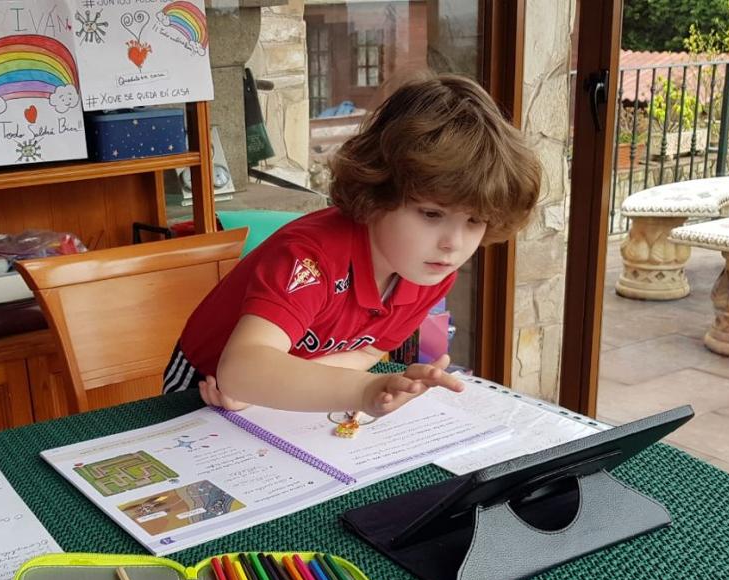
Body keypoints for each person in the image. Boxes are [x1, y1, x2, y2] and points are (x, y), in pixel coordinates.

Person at [164, 73, 541, 418]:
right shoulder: (311, 256)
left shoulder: (430, 271)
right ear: (378, 189)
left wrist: (273, 391)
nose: (453, 245)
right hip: (205, 380)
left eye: (474, 221)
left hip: (282, 389)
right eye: (430, 214)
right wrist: (361, 390)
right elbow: (242, 367)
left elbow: (366, 351)